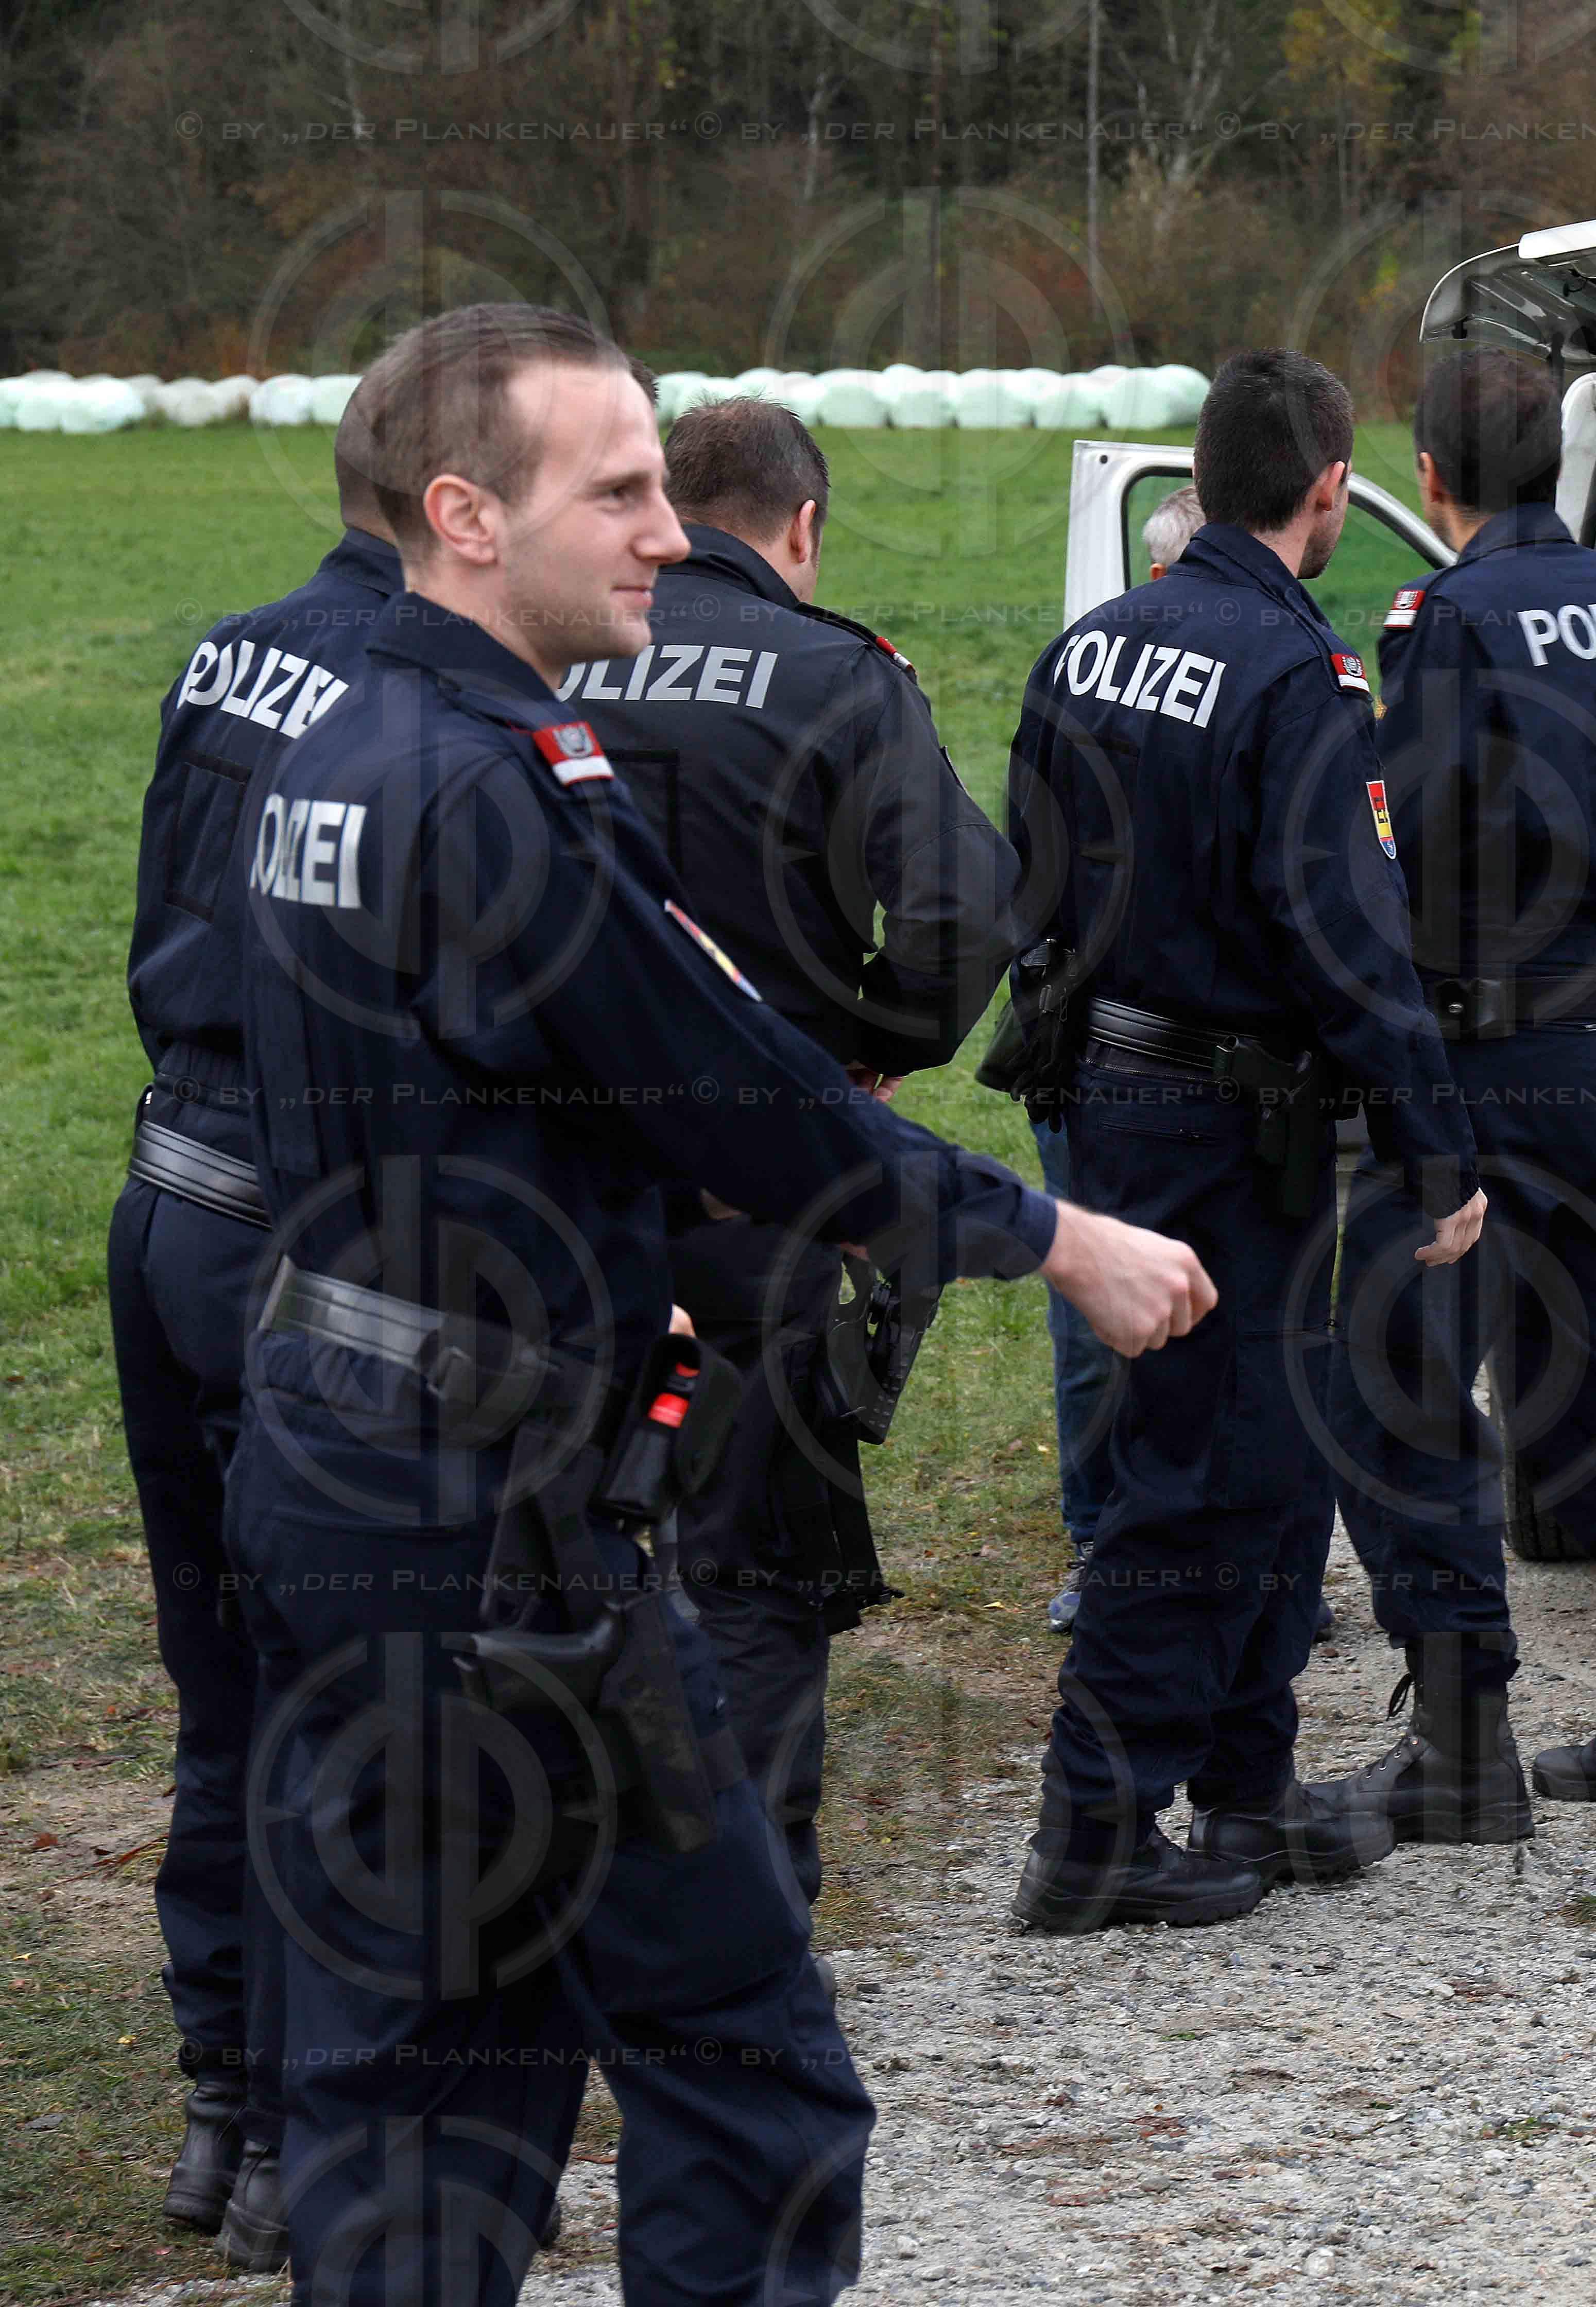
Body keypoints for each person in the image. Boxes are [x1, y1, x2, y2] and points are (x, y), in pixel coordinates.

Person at [224, 302, 1212, 2305]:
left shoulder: (329, 741)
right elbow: (746, 1096)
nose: (673, 528)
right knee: (750, 2061)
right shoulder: (495, 786)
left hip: (344, 1464)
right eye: (621, 488)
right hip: (506, 1542)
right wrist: (1058, 1238)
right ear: (465, 518)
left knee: (431, 2079)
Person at [1000, 350, 1486, 1931]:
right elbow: (1351, 937)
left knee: (1263, 1458)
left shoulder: (1091, 652)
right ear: (1331, 490)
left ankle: (1248, 1789)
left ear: (1199, 482)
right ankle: (1095, 1827)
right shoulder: (1300, 681)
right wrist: (1438, 1152)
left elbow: (1036, 876)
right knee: (1198, 1467)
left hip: (1127, 1098)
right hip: (1224, 1116)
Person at [553, 395, 1020, 1908]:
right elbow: (965, 911)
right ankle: (742, 1924)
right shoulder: (839, 676)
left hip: (559, 1191)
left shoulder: (549, 662)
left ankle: (559, 1895)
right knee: (755, 1569)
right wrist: (872, 1044)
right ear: (803, 528)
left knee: (556, 1556)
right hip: (770, 1186)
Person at [1317, 347, 1596, 1841]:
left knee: (1403, 1376)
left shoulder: (1445, 619)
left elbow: (1419, 842)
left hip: (1484, 1045)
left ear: (1432, 478)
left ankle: (1462, 1731)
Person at [110, 425, 400, 2274]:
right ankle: (310, 2133)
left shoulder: (237, 643)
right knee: (336, 1710)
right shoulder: (406, 701)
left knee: (224, 1695)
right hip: (298, 1242)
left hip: (164, 1197)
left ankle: (223, 2107)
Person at [1041, 482, 1213, 1634]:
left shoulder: (1078, 665)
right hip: (1125, 1040)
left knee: (1138, 1304)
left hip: (1111, 1035)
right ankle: (1119, 1537)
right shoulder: (1099, 669)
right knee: (1112, 1306)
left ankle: (1153, 1541)